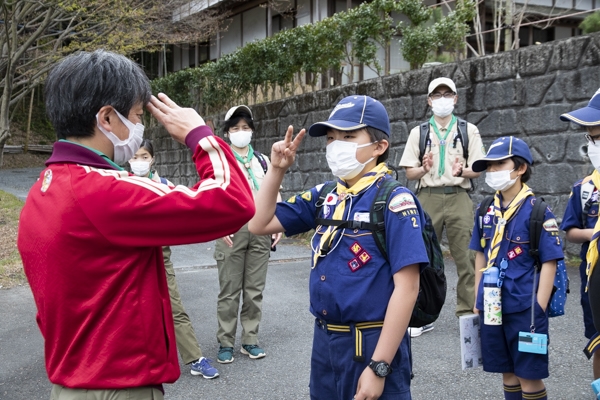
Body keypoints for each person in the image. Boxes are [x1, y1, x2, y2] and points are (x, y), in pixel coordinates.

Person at [17, 50, 254, 399]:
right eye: (138, 115)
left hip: (71, 382)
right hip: (120, 385)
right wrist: (198, 135)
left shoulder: (43, 188)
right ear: (107, 118)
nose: (140, 127)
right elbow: (232, 201)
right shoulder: (104, 190)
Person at [249, 95, 429, 400]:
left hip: (372, 341)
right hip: (326, 341)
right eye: (332, 138)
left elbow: (408, 289)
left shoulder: (395, 201)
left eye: (348, 136)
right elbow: (259, 223)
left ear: (379, 147)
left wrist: (380, 366)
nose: (336, 145)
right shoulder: (326, 195)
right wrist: (277, 170)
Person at [469, 136, 563, 400]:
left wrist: (540, 306)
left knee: (529, 377)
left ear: (520, 168)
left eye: (500, 164)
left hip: (525, 309)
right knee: (506, 372)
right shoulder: (485, 209)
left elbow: (549, 261)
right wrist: (477, 297)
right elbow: (480, 254)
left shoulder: (538, 212)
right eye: (489, 166)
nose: (492, 171)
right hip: (492, 305)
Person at [399, 77, 486, 336]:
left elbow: (478, 169)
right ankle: (422, 314)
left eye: (447, 94)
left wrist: (464, 170)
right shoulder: (419, 132)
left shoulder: (468, 130)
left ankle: (467, 313)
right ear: (429, 101)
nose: (442, 99)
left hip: (458, 195)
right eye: (437, 95)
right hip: (427, 197)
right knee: (421, 257)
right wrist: (423, 168)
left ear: (456, 98)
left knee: (468, 256)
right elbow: (409, 173)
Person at [129, 140, 219, 379]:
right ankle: (133, 364)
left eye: (144, 156)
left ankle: (195, 358)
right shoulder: (120, 184)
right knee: (129, 312)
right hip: (129, 258)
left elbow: (183, 215)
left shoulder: (165, 186)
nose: (140, 161)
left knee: (174, 307)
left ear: (153, 159)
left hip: (160, 256)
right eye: (135, 156)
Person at [214, 105, 282, 363]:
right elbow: (211, 197)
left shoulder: (263, 160)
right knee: (230, 290)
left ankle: (250, 340)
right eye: (235, 128)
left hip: (261, 228)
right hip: (231, 229)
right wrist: (219, 227)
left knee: (254, 289)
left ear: (252, 131)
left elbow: (274, 191)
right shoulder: (220, 160)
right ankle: (225, 343)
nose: (241, 132)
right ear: (227, 132)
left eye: (245, 128)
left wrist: (279, 224)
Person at [559, 89, 600, 381]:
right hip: (593, 278)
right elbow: (571, 231)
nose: (592, 144)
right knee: (598, 341)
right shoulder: (585, 188)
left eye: (597, 135)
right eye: (589, 137)